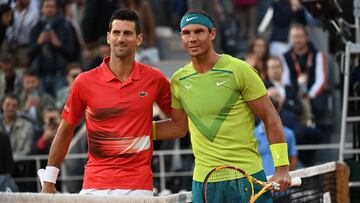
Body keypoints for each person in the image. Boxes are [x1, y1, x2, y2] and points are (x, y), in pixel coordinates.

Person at [155, 9, 291, 203]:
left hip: (247, 176)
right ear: (181, 37)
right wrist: (137, 129)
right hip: (204, 182)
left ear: (212, 34)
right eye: (186, 33)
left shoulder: (239, 70)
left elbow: (271, 118)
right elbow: (178, 127)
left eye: (199, 31)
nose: (192, 38)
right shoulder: (178, 80)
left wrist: (282, 168)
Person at [39, 9, 171, 196]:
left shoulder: (155, 79)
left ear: (139, 39)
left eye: (127, 33)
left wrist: (144, 130)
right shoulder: (84, 81)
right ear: (108, 37)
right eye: (116, 33)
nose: (121, 38)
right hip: (95, 185)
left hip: (138, 187)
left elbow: (179, 127)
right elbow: (65, 129)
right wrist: (49, 180)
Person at [255, 87, 298, 176]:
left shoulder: (289, 134)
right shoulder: (252, 134)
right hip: (260, 186)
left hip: (280, 187)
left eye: (274, 105)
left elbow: (293, 161)